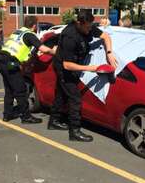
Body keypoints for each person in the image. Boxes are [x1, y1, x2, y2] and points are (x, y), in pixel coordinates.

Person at [48, 9, 117, 142]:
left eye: (91, 26)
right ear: (79, 23)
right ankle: (75, 131)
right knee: (75, 98)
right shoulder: (70, 36)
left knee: (61, 94)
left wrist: (109, 52)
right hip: (63, 68)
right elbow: (67, 65)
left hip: (70, 65)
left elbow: (106, 37)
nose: (89, 29)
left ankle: (53, 121)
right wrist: (91, 68)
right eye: (87, 27)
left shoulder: (88, 27)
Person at [0, 16, 56, 123]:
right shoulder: (29, 35)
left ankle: (7, 114)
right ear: (34, 25)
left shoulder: (17, 32)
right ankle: (26, 117)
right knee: (20, 90)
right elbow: (43, 49)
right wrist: (55, 52)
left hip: (1, 60)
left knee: (9, 89)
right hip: (11, 62)